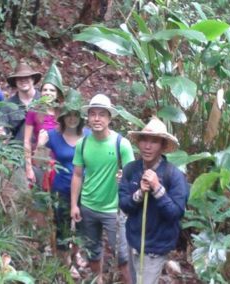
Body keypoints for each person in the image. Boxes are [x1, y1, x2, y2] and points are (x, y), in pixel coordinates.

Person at [70, 94, 134, 284]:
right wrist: (75, 205)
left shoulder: (121, 144)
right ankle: (98, 280)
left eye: (102, 115)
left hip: (114, 210)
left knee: (123, 256)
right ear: (88, 118)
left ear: (109, 118)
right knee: (93, 252)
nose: (97, 119)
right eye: (93, 114)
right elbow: (77, 175)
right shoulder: (82, 144)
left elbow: (133, 177)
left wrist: (125, 177)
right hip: (88, 206)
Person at [119, 116, 189, 284]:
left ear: (163, 146)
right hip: (133, 241)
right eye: (144, 140)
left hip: (155, 249)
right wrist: (139, 194)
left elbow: (176, 214)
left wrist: (158, 189)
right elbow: (124, 204)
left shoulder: (174, 176)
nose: (147, 146)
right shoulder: (130, 170)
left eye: (154, 142)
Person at [36, 88, 90, 278]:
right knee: (62, 225)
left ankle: (77, 253)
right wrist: (40, 143)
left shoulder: (89, 135)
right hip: (61, 187)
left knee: (82, 225)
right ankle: (66, 263)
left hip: (85, 189)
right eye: (69, 115)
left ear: (80, 118)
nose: (72, 119)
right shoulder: (53, 136)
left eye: (76, 115)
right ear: (63, 117)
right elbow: (38, 155)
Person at [24, 62, 64, 187]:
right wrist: (29, 168)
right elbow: (26, 141)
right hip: (40, 160)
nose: (48, 93)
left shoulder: (64, 113)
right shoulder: (33, 111)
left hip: (61, 163)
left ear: (57, 93)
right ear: (40, 92)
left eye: (52, 90)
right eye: (45, 89)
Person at [0, 61, 42, 141]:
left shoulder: (43, 100)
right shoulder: (8, 105)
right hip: (17, 151)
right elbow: (2, 130)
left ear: (33, 79)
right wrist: (0, 133)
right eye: (19, 78)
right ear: (15, 82)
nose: (23, 80)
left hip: (41, 150)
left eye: (26, 77)